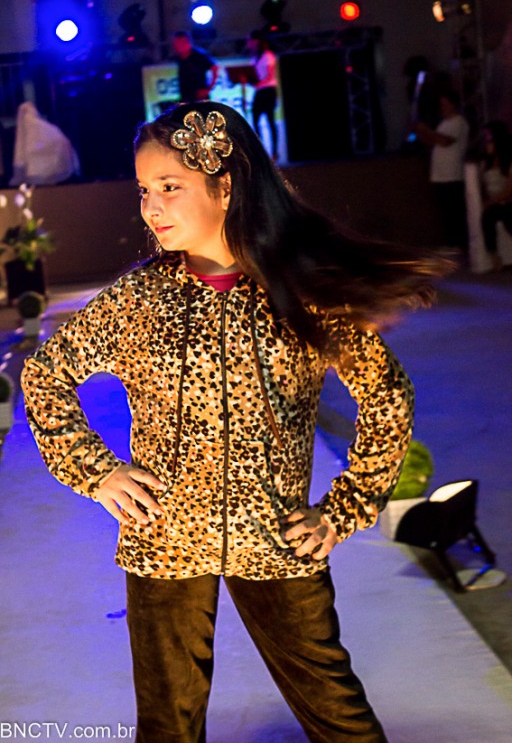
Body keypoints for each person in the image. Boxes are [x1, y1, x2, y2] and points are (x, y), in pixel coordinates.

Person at [22, 101, 447, 743]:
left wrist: (344, 509)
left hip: (276, 538)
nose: (151, 207)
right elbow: (45, 374)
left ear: (226, 186)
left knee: (338, 717)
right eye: (143, 190)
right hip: (163, 539)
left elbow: (387, 396)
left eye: (170, 186)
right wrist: (98, 471)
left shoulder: (299, 292)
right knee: (167, 724)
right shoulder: (140, 300)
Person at [415, 90, 469, 251]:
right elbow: (433, 141)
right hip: (440, 175)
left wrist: (427, 131)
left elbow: (445, 141)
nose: (442, 108)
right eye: (441, 105)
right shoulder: (443, 123)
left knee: (455, 210)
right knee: (446, 211)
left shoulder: (459, 122)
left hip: (453, 174)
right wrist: (421, 132)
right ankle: (451, 243)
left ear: (453, 105)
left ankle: (460, 243)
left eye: (445, 104)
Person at [479, 120, 512, 269]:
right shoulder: (485, 164)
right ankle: (493, 256)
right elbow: (483, 187)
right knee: (488, 217)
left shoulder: (508, 162)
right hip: (495, 202)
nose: (487, 143)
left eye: (489, 139)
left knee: (508, 217)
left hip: (508, 200)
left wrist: (494, 200)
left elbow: (509, 190)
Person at [247, 29, 279, 160]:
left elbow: (270, 75)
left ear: (257, 41)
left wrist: (259, 83)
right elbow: (254, 77)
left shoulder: (268, 56)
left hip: (268, 91)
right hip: (259, 91)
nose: (249, 44)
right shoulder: (254, 59)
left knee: (270, 120)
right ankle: (261, 151)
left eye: (251, 41)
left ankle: (274, 151)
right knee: (255, 120)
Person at [172, 31, 218, 102]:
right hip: (186, 97)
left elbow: (215, 68)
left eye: (178, 43)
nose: (176, 46)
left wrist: (209, 88)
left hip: (200, 97)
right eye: (175, 44)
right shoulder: (180, 58)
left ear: (186, 42)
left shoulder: (199, 55)